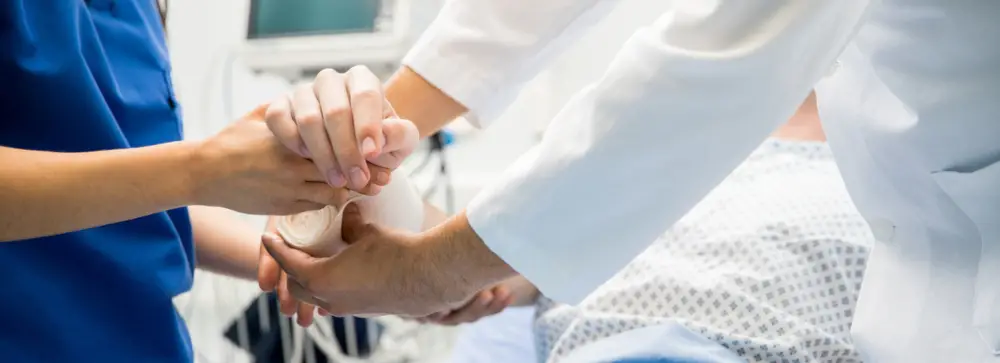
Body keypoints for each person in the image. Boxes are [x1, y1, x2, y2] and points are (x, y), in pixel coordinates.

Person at [260, 1, 1000, 361]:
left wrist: (439, 264)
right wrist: (379, 132)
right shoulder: (609, 206)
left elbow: (717, 66)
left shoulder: (818, 162)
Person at [0, 2, 412, 362]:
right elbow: (175, 178)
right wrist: (203, 170)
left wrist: (291, 257)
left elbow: (137, 195)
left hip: (144, 342)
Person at [444, 95, 877, 363]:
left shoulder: (889, 167)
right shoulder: (654, 141)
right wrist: (483, 278)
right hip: (605, 347)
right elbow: (529, 261)